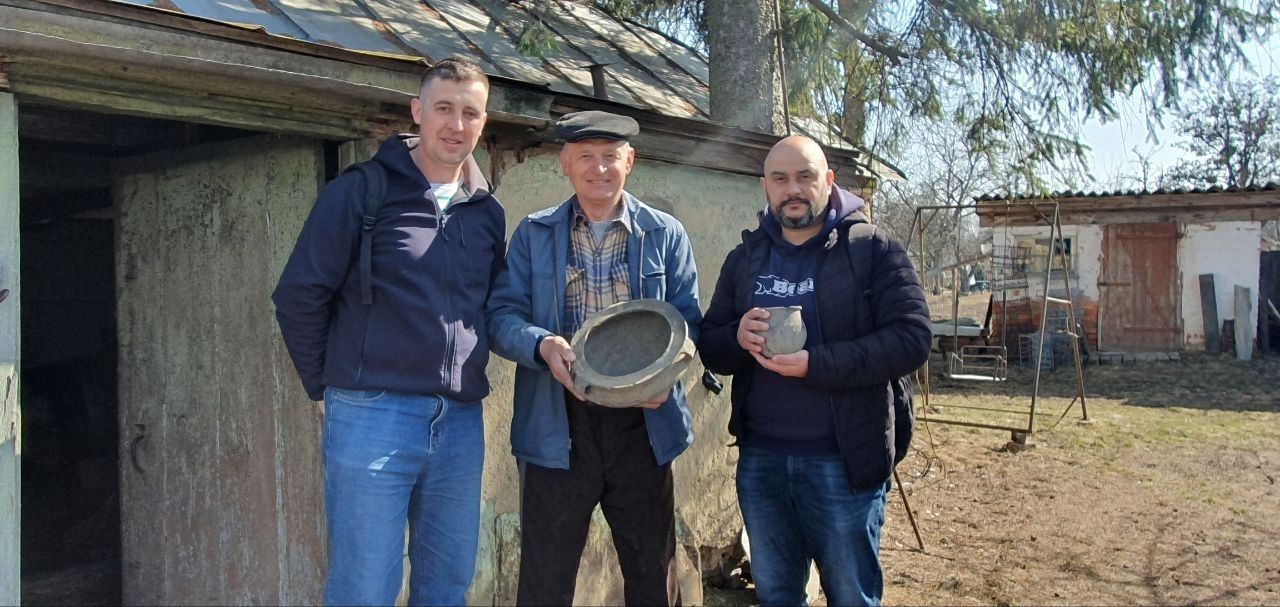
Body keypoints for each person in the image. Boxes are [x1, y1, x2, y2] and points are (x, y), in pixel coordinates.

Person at [272, 57, 505, 606]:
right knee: (365, 585)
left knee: (447, 583)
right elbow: (298, 295)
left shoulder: (486, 210)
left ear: (483, 121)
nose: (455, 124)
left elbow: (492, 305)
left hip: (460, 421)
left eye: (469, 113)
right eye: (443, 108)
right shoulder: (362, 192)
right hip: (373, 412)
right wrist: (322, 387)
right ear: (417, 111)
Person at [697, 135, 930, 606]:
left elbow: (912, 339)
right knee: (777, 595)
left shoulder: (872, 250)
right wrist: (737, 336)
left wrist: (816, 364)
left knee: (850, 596)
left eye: (805, 176)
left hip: (843, 463)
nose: (793, 189)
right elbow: (712, 347)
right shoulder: (746, 259)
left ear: (829, 180)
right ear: (765, 186)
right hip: (762, 462)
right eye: (780, 179)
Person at [486, 110, 701, 607]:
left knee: (652, 575)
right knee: (545, 577)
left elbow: (691, 322)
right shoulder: (534, 234)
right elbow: (500, 316)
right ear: (565, 162)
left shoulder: (664, 234)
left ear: (631, 161)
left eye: (610, 157)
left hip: (644, 427)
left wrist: (665, 382)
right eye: (586, 156)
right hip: (558, 424)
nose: (599, 168)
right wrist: (542, 344)